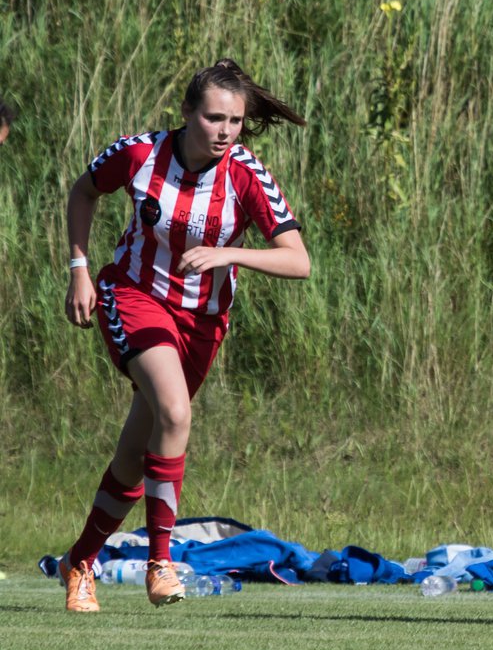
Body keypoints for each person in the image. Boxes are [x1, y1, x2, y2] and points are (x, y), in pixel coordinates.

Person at [58, 59, 310, 612]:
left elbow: (299, 261)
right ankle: (160, 562)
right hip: (134, 296)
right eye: (214, 118)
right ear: (188, 114)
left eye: (236, 121)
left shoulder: (246, 173)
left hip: (202, 323)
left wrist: (230, 252)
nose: (225, 131)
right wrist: (79, 267)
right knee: (174, 412)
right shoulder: (140, 153)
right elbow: (83, 192)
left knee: (135, 453)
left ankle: (80, 561)